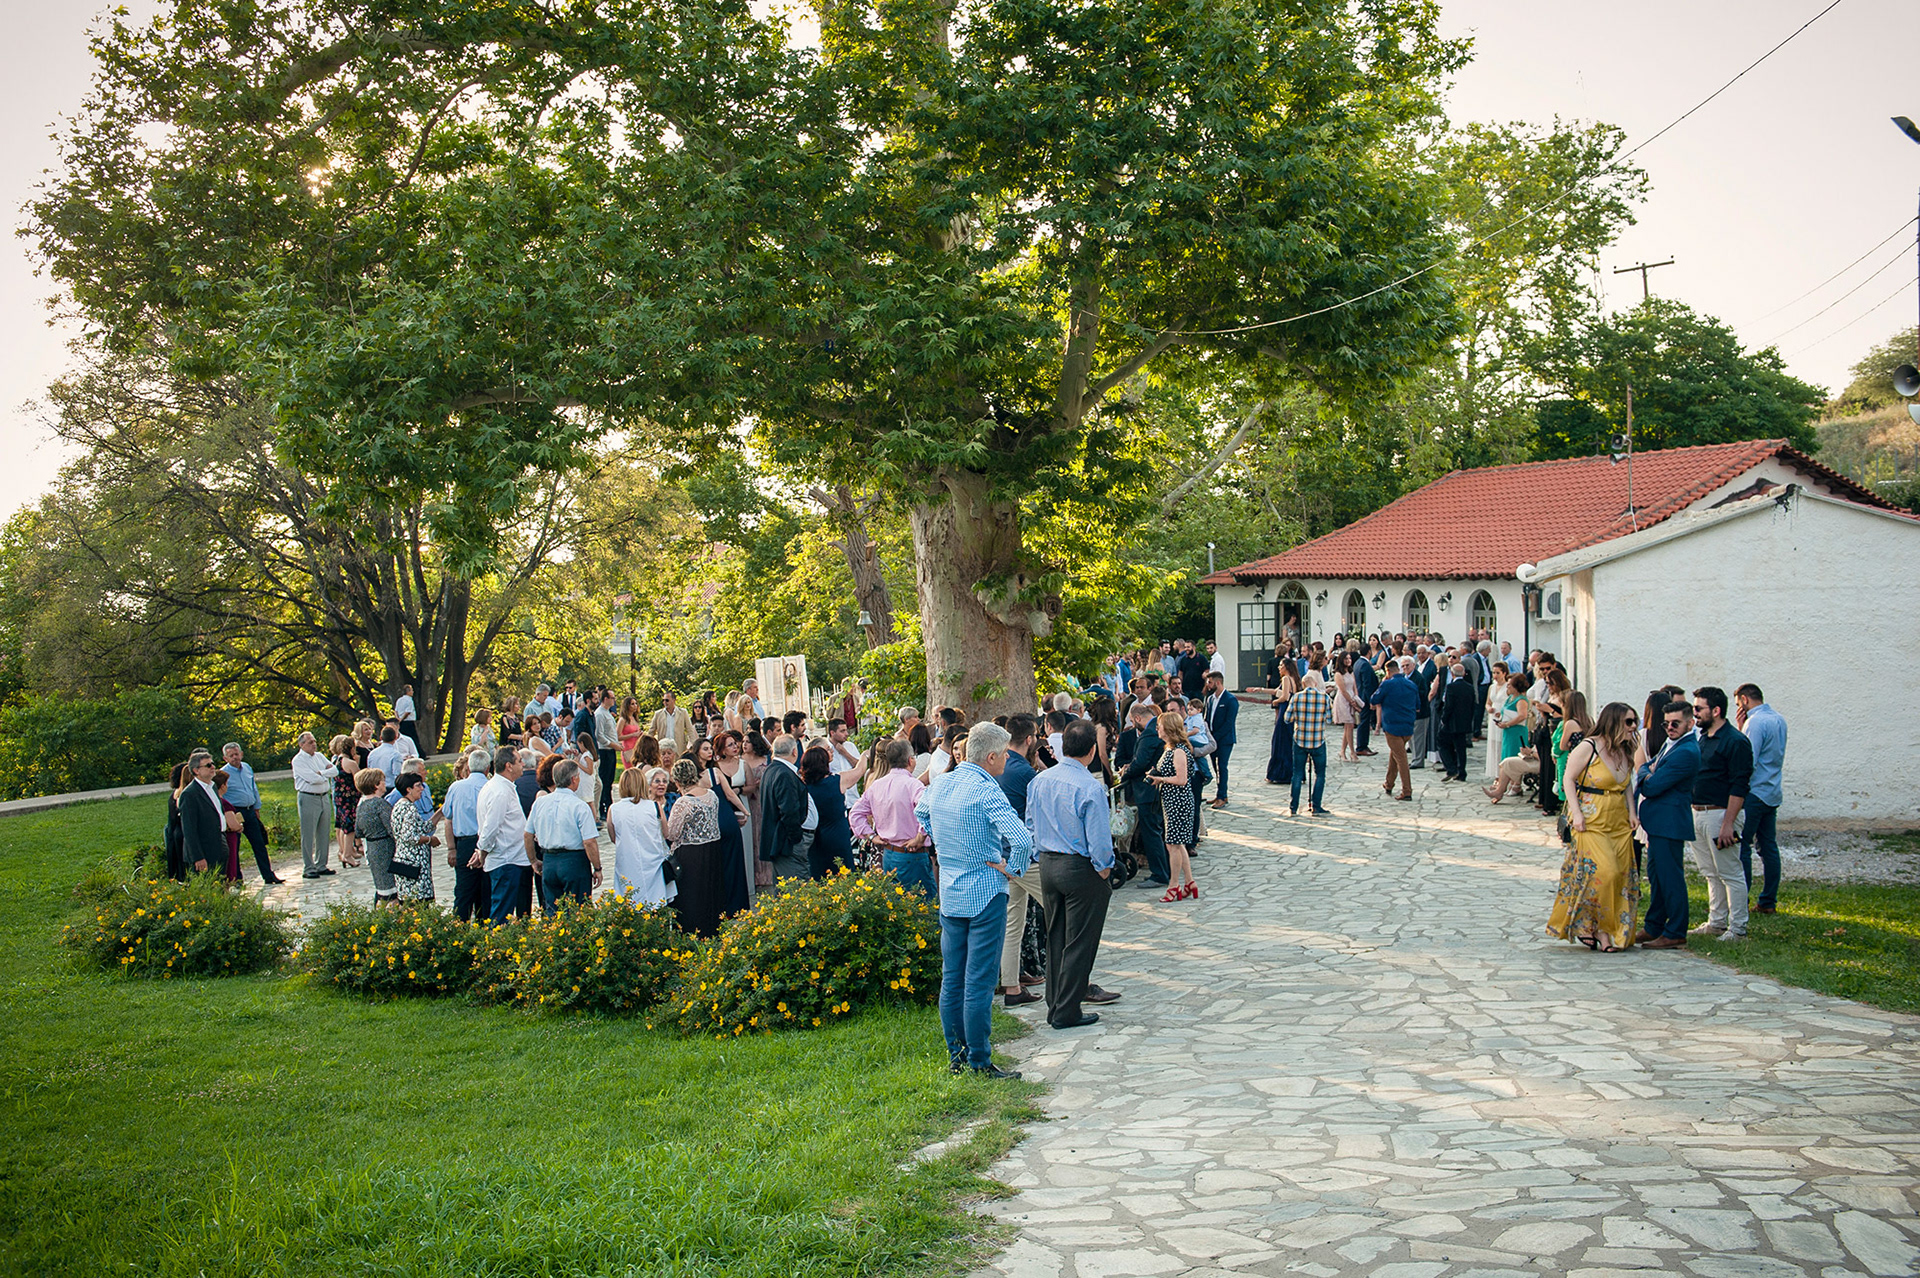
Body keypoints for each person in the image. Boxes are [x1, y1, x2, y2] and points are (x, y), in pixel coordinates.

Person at [914, 723, 1033, 1079]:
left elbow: (921, 812)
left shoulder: (941, 782)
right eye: (1006, 754)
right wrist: (1013, 869)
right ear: (991, 757)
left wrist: (943, 844)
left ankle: (957, 1055)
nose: (1008, 759)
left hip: (951, 890)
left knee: (952, 979)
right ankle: (979, 1059)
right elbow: (1022, 839)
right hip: (985, 891)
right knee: (979, 981)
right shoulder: (987, 790)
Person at [1028, 720, 1117, 1031]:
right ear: (1092, 750)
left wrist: (1038, 854)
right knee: (1080, 940)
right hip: (1079, 866)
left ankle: (1055, 1002)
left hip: (1048, 863)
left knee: (1056, 936)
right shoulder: (1090, 786)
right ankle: (1067, 1010)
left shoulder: (1039, 780)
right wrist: (1104, 867)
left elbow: (1030, 823)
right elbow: (1099, 837)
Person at [1547, 702, 1642, 952]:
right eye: (1628, 722)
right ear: (1613, 722)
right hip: (1591, 820)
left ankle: (1609, 928)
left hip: (1618, 821)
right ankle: (1598, 928)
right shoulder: (1588, 747)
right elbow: (1568, 778)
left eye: (1634, 721)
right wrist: (1576, 813)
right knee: (1604, 872)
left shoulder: (1625, 749)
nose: (1633, 727)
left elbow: (1626, 783)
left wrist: (1633, 812)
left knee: (1620, 876)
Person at [1686, 686, 1754, 943]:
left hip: (1720, 814)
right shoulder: (1703, 738)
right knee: (1710, 872)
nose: (1694, 713)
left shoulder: (1735, 742)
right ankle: (1716, 922)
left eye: (1698, 708)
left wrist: (1728, 824)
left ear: (1715, 711)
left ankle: (1738, 928)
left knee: (1730, 872)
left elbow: (1739, 786)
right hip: (1699, 813)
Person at [1637, 699, 1702, 950]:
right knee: (1657, 876)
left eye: (1675, 723)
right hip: (1659, 822)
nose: (1670, 728)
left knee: (1670, 878)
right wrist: (1648, 771)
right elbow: (1647, 768)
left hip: (1670, 822)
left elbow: (1652, 786)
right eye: (1666, 724)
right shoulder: (1671, 743)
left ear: (1690, 723)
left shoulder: (1686, 751)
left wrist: (1645, 773)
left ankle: (1675, 930)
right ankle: (1654, 926)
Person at [994, 716, 1045, 1009]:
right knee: (1064, 913)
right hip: (1025, 856)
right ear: (1029, 739)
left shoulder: (1001, 766)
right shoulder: (1025, 772)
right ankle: (1077, 982)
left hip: (1004, 855)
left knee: (1013, 923)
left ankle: (1012, 986)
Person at [850, 739, 934, 898]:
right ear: (910, 761)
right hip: (912, 853)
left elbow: (855, 813)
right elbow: (929, 809)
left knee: (895, 903)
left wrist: (870, 835)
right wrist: (920, 836)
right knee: (924, 903)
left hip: (889, 853)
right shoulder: (913, 785)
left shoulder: (877, 785)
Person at [1735, 684, 1786, 916]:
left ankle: (1740, 900)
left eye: (1738, 704)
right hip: (1772, 790)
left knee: (1742, 846)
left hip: (1754, 792)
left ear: (1745, 700)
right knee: (1768, 847)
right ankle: (1768, 900)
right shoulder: (1779, 719)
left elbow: (1749, 759)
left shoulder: (1754, 722)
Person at [526, 757, 603, 908]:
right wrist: (597, 867)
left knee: (553, 909)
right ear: (574, 779)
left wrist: (533, 860)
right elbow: (589, 841)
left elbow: (527, 834)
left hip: (549, 860)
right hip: (574, 861)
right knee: (578, 909)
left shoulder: (540, 803)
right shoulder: (579, 806)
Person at [665, 757, 726, 935]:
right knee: (710, 892)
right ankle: (712, 929)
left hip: (690, 855)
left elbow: (672, 833)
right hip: (713, 850)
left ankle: (691, 933)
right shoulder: (711, 795)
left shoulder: (684, 803)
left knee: (691, 897)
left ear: (677, 781)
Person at [1146, 711, 1198, 901]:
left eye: (1159, 726)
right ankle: (1189, 881)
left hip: (1179, 801)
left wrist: (1161, 779)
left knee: (1173, 844)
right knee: (1177, 843)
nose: (1157, 729)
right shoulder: (1170, 749)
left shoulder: (1178, 751)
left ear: (1168, 728)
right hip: (1171, 800)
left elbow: (1181, 779)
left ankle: (1174, 885)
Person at [1120, 700, 1172, 889]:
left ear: (1137, 718)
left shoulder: (1149, 733)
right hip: (1155, 790)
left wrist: (1126, 772)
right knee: (1157, 832)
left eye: (1133, 722)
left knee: (1152, 833)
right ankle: (1164, 870)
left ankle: (1159, 874)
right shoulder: (1155, 728)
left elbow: (1141, 761)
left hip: (1148, 791)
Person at [478, 747, 531, 922]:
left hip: (512, 858)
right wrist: (482, 851)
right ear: (509, 766)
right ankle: (497, 939)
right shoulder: (500, 791)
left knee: (505, 911)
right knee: (501, 914)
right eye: (519, 761)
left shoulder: (502, 787)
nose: (523, 764)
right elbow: (491, 827)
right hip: (506, 859)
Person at [220, 742, 283, 883]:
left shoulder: (247, 768)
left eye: (236, 754)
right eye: (231, 755)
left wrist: (256, 807)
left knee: (259, 844)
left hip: (250, 810)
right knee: (234, 847)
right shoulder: (223, 774)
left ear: (241, 754)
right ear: (225, 758)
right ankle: (237, 879)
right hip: (235, 812)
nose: (235, 757)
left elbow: (253, 788)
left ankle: (268, 875)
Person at [444, 749, 492, 922]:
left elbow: (448, 818)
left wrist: (451, 848)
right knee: (486, 891)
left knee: (464, 891)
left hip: (464, 842)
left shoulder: (456, 788)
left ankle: (459, 927)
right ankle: (485, 926)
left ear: (469, 768)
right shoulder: (492, 787)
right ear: (487, 768)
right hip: (487, 842)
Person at [758, 735, 814, 882]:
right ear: (794, 752)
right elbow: (789, 810)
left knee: (784, 886)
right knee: (796, 885)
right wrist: (796, 838)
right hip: (787, 842)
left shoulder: (771, 770)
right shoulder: (784, 774)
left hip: (780, 839)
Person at [1284, 670, 1334, 817]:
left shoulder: (1297, 697)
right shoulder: (1324, 698)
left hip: (1300, 739)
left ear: (1303, 685)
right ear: (1316, 684)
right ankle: (1316, 806)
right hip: (1318, 740)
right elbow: (1329, 719)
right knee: (1320, 774)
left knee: (1297, 773)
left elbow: (1287, 718)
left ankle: (1294, 806)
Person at [1369, 657, 1418, 801]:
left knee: (1401, 758)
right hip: (1408, 725)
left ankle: (1407, 790)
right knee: (1396, 753)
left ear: (1388, 671)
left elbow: (1374, 699)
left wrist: (1383, 683)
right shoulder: (1411, 684)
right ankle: (1389, 783)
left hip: (1392, 725)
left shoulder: (1387, 684)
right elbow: (1418, 704)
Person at [289, 731, 333, 881]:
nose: (314, 744)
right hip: (308, 797)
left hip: (323, 796)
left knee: (324, 831)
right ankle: (309, 867)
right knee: (308, 833)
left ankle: (322, 864)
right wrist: (324, 774)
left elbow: (334, 770)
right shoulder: (298, 760)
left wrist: (322, 773)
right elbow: (312, 778)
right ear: (302, 745)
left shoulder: (319, 756)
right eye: (310, 742)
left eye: (314, 741)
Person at [388, 772, 437, 904]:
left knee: (406, 900)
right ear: (408, 789)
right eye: (418, 786)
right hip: (413, 861)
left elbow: (423, 827)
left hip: (401, 859)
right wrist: (429, 840)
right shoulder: (409, 809)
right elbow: (410, 836)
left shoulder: (399, 805)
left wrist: (440, 812)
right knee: (418, 902)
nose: (422, 789)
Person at [353, 768, 398, 905]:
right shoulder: (380, 804)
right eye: (382, 781)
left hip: (372, 848)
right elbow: (392, 828)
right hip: (386, 848)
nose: (385, 783)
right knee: (392, 889)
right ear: (376, 785)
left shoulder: (361, 805)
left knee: (382, 887)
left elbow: (358, 831)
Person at [178, 753, 225, 876]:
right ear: (196, 770)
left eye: (213, 764)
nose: (213, 767)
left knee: (221, 881)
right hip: (204, 848)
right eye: (208, 765)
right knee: (207, 883)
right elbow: (189, 829)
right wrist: (197, 856)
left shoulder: (212, 787)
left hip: (219, 841)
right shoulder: (189, 794)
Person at [1437, 661, 1478, 783]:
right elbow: (1472, 705)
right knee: (1461, 748)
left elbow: (1449, 706)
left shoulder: (1451, 687)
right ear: (1464, 673)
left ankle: (1451, 768)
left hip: (1451, 722)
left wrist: (1444, 719)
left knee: (1442, 743)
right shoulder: (1469, 687)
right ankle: (1461, 771)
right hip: (1464, 722)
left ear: (1452, 673)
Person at [1202, 671, 1238, 808]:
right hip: (1212, 739)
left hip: (1224, 740)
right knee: (1216, 767)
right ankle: (1220, 793)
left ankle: (1222, 796)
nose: (1208, 685)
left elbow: (1229, 723)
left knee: (1221, 767)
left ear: (1218, 682)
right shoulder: (1210, 699)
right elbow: (1207, 718)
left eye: (1210, 682)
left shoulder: (1230, 700)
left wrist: (1215, 737)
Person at [1264, 652, 1298, 787]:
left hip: (1284, 710)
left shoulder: (1286, 679)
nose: (1279, 668)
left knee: (1280, 741)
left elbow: (1284, 696)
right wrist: (1260, 690)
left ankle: (1279, 773)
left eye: (1281, 665)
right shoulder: (1293, 679)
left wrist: (1275, 702)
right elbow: (1276, 691)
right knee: (1287, 741)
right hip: (1290, 711)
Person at [366, 726, 405, 795]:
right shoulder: (395, 754)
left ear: (381, 738)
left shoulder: (372, 753)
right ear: (395, 737)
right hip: (390, 788)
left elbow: (369, 770)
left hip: (374, 787)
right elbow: (397, 774)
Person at [393, 684, 420, 754]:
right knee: (413, 738)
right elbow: (408, 712)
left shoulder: (399, 700)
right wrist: (401, 719)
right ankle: (419, 753)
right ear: (408, 692)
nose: (413, 692)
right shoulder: (409, 700)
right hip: (408, 721)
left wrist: (397, 718)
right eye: (411, 690)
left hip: (401, 722)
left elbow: (396, 711)